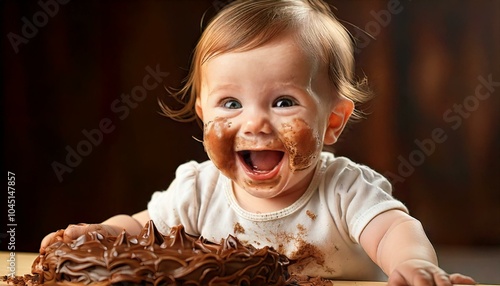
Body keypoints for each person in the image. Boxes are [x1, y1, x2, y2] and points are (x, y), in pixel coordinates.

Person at [42, 0, 476, 285]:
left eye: (284, 101)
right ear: (202, 115)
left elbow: (394, 231)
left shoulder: (343, 189)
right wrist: (100, 233)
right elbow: (141, 228)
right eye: (230, 103)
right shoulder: (199, 190)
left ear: (333, 122)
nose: (254, 122)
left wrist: (413, 264)